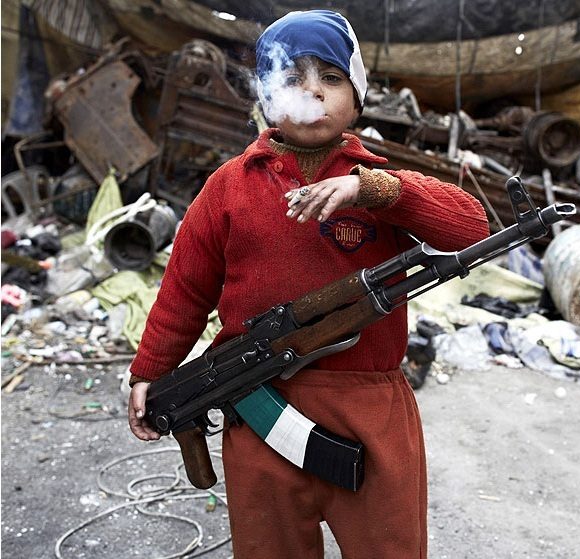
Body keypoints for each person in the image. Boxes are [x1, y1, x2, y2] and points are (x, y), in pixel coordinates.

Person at [128, 9, 489, 558]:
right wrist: (150, 372)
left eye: (331, 77)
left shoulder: (378, 180)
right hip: (260, 403)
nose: (313, 91)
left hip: (370, 407)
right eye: (292, 77)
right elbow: (185, 289)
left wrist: (372, 190)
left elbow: (471, 227)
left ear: (357, 97)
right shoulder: (228, 187)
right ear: (266, 94)